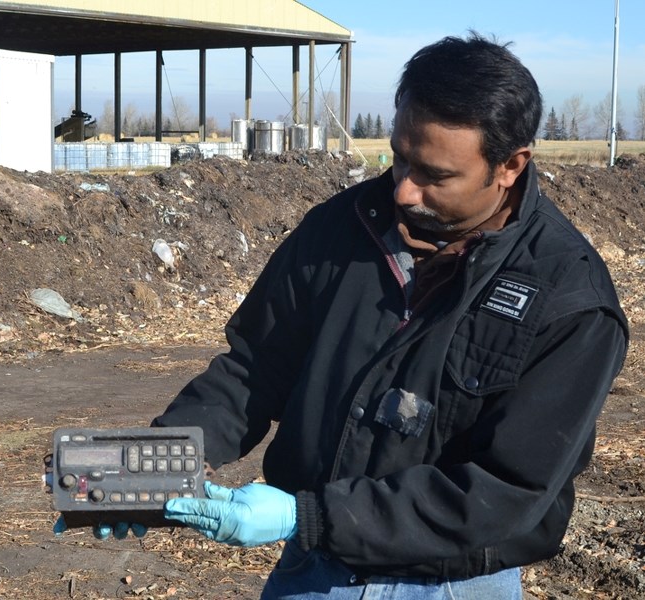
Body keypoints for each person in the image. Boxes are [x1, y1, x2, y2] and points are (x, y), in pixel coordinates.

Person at [97, 33, 629, 599]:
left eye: (434, 175)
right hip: (313, 573)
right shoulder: (339, 229)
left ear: (510, 166)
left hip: (452, 584)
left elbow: (504, 489)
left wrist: (308, 516)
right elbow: (254, 369)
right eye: (398, 156)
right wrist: (152, 470)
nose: (402, 189)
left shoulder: (569, 298)